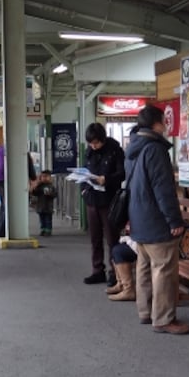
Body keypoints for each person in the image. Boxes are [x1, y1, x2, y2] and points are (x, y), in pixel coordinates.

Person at [125, 104, 189, 334]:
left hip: (139, 219)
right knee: (163, 269)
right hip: (155, 221)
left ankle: (145, 312)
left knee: (144, 267)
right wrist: (174, 221)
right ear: (156, 123)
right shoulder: (155, 149)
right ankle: (163, 319)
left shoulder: (133, 147)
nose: (166, 124)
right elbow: (163, 190)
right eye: (163, 120)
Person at [82, 122, 125, 285]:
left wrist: (106, 180)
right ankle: (97, 270)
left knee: (112, 237)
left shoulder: (115, 150)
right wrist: (84, 189)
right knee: (95, 238)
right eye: (90, 143)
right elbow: (85, 170)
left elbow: (122, 173)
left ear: (103, 139)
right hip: (91, 199)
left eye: (96, 143)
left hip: (109, 200)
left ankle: (115, 272)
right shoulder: (89, 152)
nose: (93, 146)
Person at [0, 143, 37, 241]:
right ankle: (1, 233)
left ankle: (2, 231)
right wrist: (33, 178)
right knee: (7, 206)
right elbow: (5, 168)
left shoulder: (0, 151)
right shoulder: (9, 152)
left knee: (5, 206)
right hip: (4, 181)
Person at [30, 168, 57, 235]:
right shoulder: (40, 186)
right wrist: (35, 186)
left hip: (48, 207)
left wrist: (49, 194)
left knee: (48, 219)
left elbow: (55, 194)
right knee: (42, 219)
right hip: (40, 206)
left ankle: (48, 230)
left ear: (50, 178)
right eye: (43, 177)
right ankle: (43, 229)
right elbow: (34, 193)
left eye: (47, 177)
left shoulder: (51, 186)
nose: (45, 178)